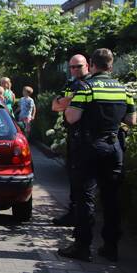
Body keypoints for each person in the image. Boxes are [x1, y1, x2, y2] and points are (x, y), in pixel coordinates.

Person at [57, 48, 136, 263]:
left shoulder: (86, 87)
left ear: (91, 64)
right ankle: (111, 247)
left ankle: (82, 247)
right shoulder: (123, 89)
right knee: (111, 198)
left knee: (85, 197)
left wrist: (69, 106)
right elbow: (131, 120)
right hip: (114, 147)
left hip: (90, 147)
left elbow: (72, 117)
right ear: (111, 65)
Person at [50, 54, 91, 227]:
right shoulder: (70, 84)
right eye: (72, 67)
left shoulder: (90, 83)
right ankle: (74, 213)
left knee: (85, 182)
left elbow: (63, 105)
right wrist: (69, 100)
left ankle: (83, 219)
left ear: (87, 65)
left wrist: (65, 102)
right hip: (73, 136)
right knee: (73, 178)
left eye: (78, 66)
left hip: (87, 136)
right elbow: (55, 105)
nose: (74, 70)